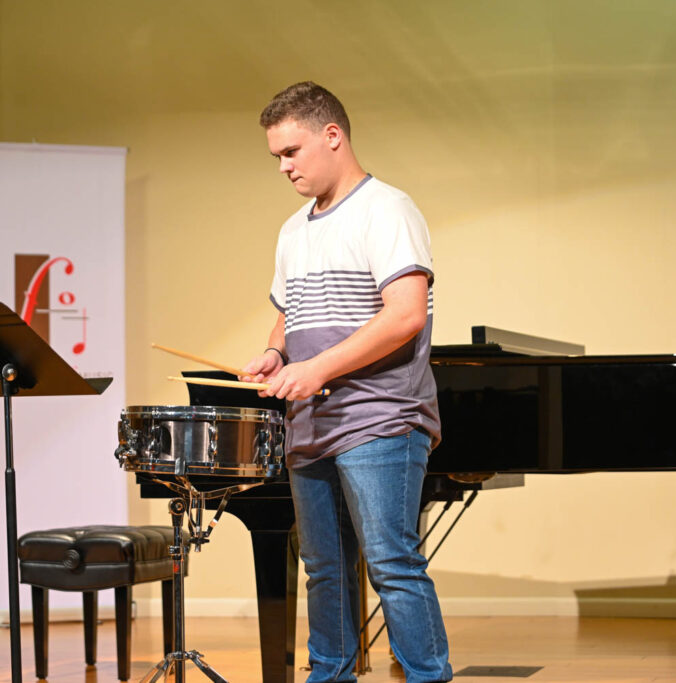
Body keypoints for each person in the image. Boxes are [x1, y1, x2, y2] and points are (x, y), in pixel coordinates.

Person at [241, 81, 452, 683]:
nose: (284, 167)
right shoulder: (292, 230)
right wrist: (275, 353)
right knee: (324, 568)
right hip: (312, 423)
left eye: (292, 152)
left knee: (391, 563)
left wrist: (318, 368)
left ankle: (428, 676)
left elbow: (406, 315)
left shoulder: (387, 209)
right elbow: (290, 313)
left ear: (332, 136)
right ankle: (330, 675)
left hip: (379, 417)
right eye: (277, 156)